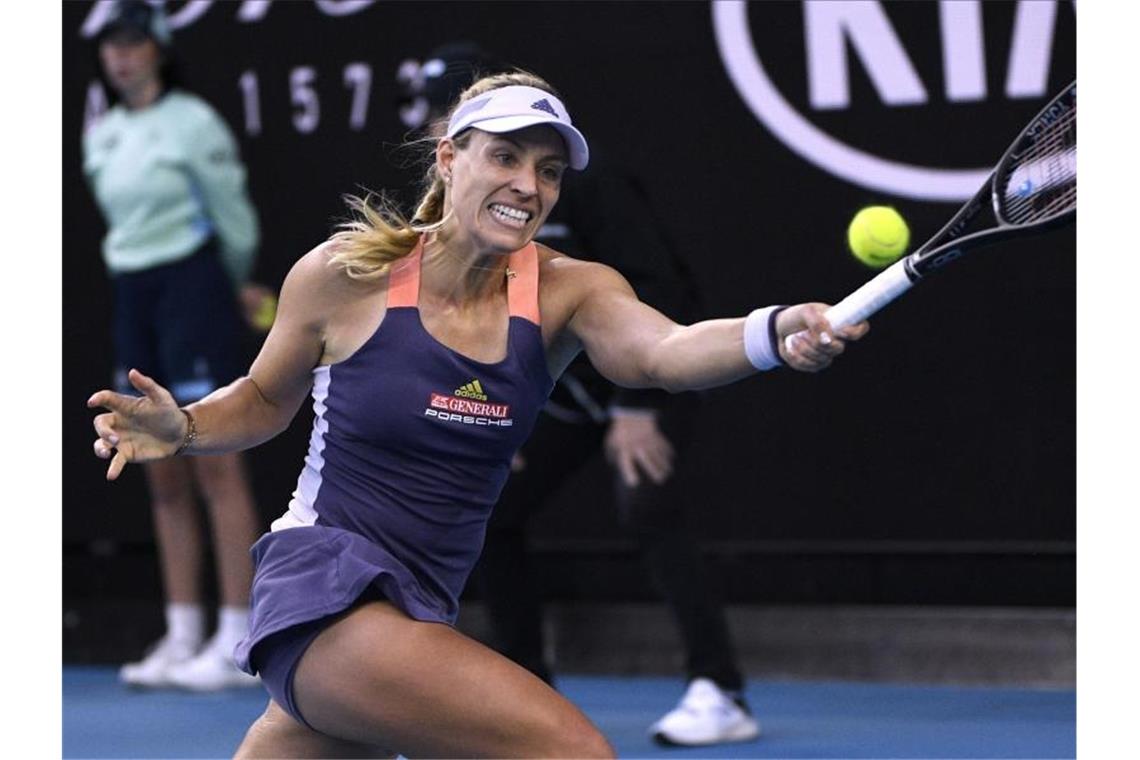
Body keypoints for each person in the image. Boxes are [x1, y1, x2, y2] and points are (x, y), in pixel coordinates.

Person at [88, 69, 867, 757]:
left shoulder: (570, 291)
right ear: (448, 158)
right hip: (324, 591)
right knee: (569, 752)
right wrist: (185, 428)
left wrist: (771, 332)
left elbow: (665, 352)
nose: (530, 185)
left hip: (417, 613)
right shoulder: (343, 275)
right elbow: (263, 399)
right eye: (505, 157)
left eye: (549, 170)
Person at [400, 43, 760, 746]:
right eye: (436, 115)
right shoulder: (448, 229)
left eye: (448, 105)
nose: (435, 125)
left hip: (645, 372)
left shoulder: (576, 188)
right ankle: (526, 682)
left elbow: (662, 292)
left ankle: (719, 688)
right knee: (495, 513)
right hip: (553, 395)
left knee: (647, 500)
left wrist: (637, 408)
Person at [82, 0, 267, 691]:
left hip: (194, 289)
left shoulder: (194, 123)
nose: (120, 55)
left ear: (158, 48)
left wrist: (233, 280)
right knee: (153, 464)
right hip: (135, 297)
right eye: (111, 45)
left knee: (214, 462)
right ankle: (185, 629)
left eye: (133, 42)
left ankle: (239, 634)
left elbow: (234, 216)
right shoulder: (102, 135)